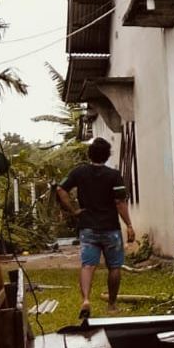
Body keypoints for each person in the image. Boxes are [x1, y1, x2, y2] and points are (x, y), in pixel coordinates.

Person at [56, 137, 135, 320]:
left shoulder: (79, 172)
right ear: (107, 156)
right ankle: (112, 305)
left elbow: (61, 189)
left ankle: (85, 300)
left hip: (88, 227)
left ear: (89, 154)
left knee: (87, 265)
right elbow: (120, 203)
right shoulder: (114, 176)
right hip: (110, 228)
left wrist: (74, 210)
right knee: (114, 267)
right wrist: (129, 225)